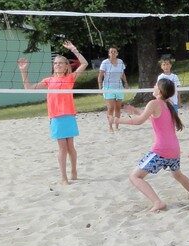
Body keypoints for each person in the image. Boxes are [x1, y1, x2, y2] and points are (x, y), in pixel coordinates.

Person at [117, 80, 189, 212]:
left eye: (156, 85)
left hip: (161, 150)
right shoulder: (168, 104)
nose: (153, 86)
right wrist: (135, 111)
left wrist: (117, 120)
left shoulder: (154, 103)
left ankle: (158, 202)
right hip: (174, 149)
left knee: (135, 176)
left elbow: (139, 121)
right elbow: (155, 118)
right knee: (178, 175)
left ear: (161, 91)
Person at [19, 40, 88, 185]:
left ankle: (74, 171)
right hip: (56, 117)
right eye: (55, 63)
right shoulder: (48, 80)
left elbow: (84, 63)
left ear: (66, 66)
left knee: (71, 147)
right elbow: (28, 88)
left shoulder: (70, 78)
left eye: (61, 63)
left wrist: (73, 49)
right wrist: (23, 71)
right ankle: (63, 177)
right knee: (62, 148)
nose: (58, 65)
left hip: (69, 116)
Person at [98, 46, 128, 132]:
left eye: (115, 51)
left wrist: (126, 83)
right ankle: (110, 126)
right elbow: (100, 76)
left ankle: (117, 126)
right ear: (109, 54)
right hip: (108, 87)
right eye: (111, 52)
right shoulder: (105, 63)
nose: (113, 53)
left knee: (118, 108)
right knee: (111, 108)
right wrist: (100, 88)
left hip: (119, 87)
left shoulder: (120, 62)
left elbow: (122, 74)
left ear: (117, 53)